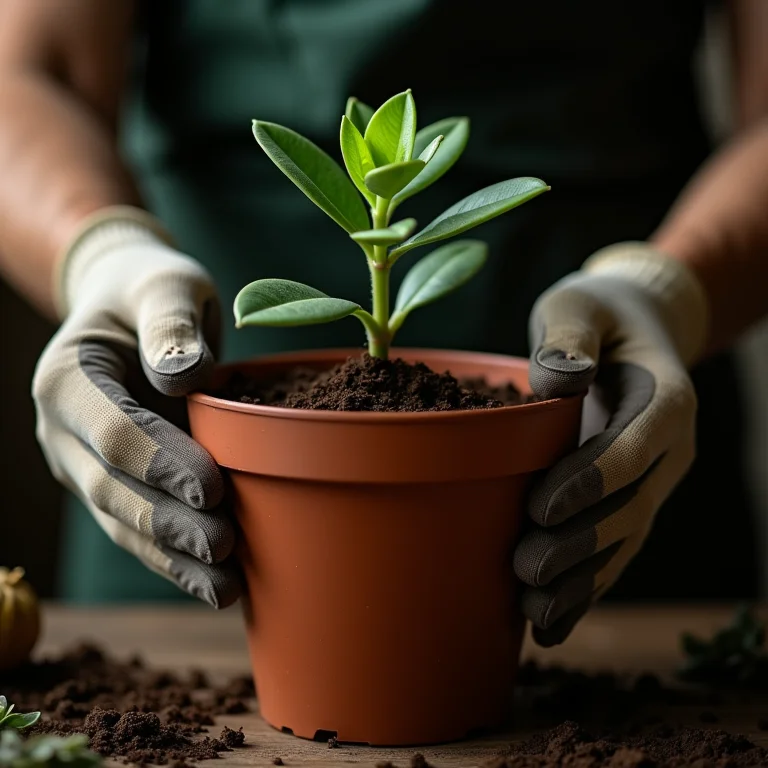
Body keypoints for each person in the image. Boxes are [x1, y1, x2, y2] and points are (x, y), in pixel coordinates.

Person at [1, 1, 767, 647]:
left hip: (618, 439)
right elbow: (28, 73)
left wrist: (662, 294)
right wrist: (104, 257)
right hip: (194, 441)